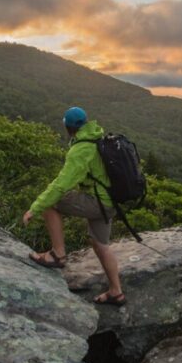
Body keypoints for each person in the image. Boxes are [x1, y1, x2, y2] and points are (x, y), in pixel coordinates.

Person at [22, 106, 126, 306]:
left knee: (52, 203)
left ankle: (57, 255)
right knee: (101, 245)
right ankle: (116, 292)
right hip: (110, 202)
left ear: (67, 128)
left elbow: (61, 185)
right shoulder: (99, 138)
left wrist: (34, 208)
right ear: (86, 122)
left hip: (97, 202)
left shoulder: (81, 150)